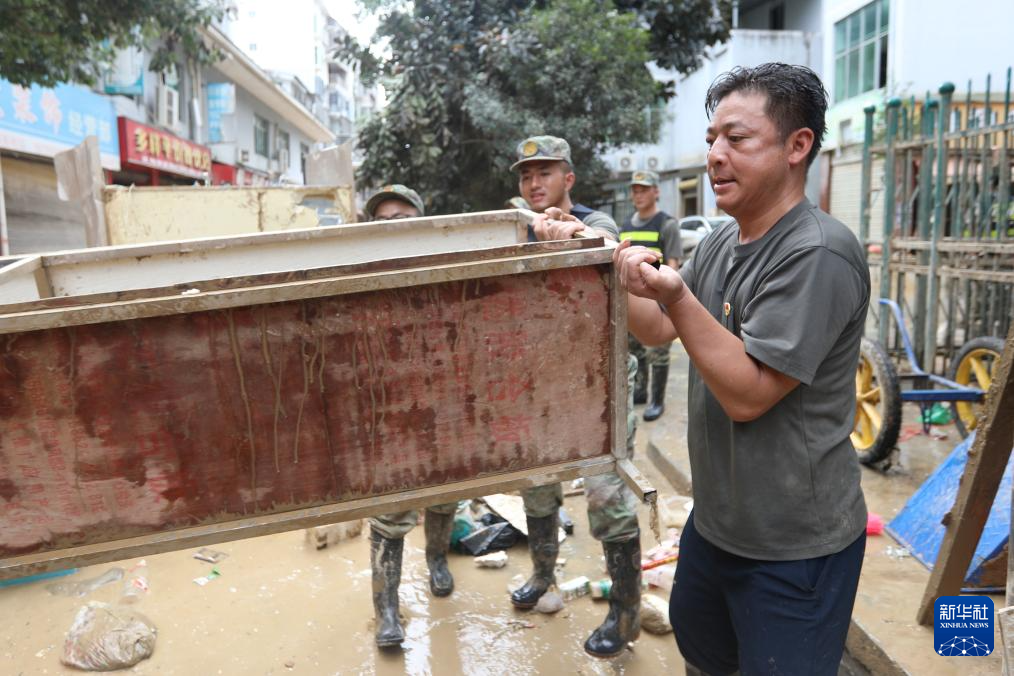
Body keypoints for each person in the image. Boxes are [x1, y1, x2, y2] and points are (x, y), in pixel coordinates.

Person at [613, 64, 869, 675]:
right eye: (710, 141)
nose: (715, 156)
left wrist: (675, 295)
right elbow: (654, 329)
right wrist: (599, 264)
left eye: (737, 139)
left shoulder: (818, 252)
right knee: (704, 655)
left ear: (797, 146)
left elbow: (748, 396)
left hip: (794, 545)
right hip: (718, 524)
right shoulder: (724, 242)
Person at [510, 135, 643, 658]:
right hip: (537, 381)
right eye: (526, 175)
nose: (534, 183)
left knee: (607, 496)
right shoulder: (514, 227)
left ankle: (626, 614)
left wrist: (561, 229)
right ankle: (543, 577)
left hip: (598, 382)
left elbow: (604, 244)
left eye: (545, 173)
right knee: (536, 486)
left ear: (569, 179)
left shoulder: (598, 222)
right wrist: (529, 226)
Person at [362, 184, 459, 648]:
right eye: (382, 221)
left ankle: (437, 559)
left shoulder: (445, 266)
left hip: (442, 407)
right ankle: (386, 610)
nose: (394, 226)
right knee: (388, 512)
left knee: (444, 496)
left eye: (403, 216)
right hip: (386, 413)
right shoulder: (358, 275)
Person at [620, 170, 681, 421]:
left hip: (657, 301)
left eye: (644, 189)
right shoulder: (625, 226)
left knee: (658, 351)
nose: (638, 194)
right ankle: (642, 392)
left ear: (656, 191)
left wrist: (644, 269)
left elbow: (674, 267)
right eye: (635, 190)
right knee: (636, 349)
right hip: (632, 301)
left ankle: (657, 400)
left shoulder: (667, 224)